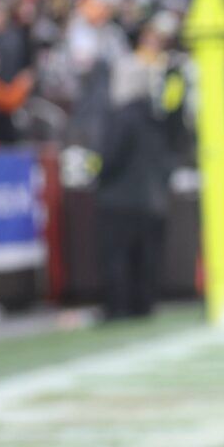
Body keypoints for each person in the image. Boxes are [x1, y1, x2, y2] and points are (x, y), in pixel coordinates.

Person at [94, 55, 175, 320]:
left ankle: (119, 307)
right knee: (145, 258)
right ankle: (144, 304)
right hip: (152, 200)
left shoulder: (122, 118)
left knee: (118, 257)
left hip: (120, 199)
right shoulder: (155, 117)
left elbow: (111, 157)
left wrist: (98, 175)